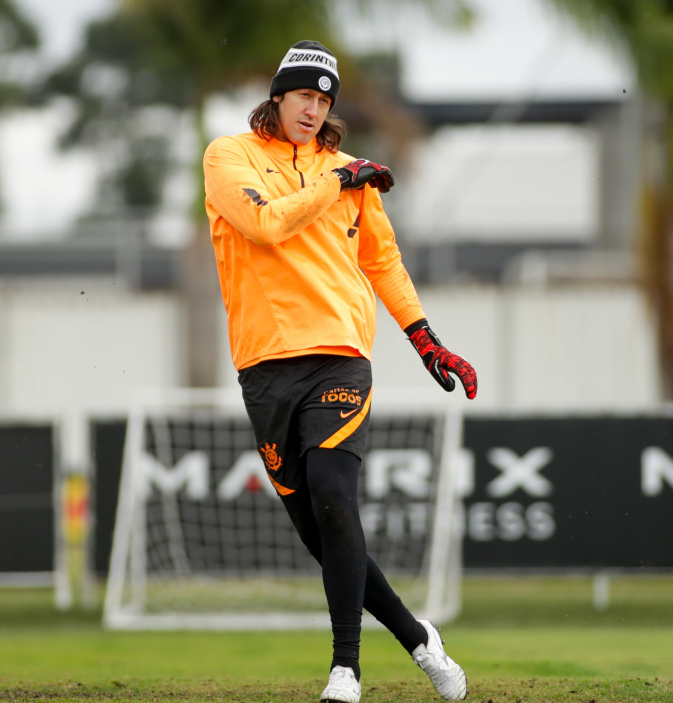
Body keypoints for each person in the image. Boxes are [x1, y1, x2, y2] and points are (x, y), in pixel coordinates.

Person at [203, 40, 477, 703]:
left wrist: (424, 338)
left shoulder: (349, 172)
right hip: (263, 365)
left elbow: (382, 263)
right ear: (277, 98)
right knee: (320, 531)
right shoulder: (228, 156)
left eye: (324, 101)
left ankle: (344, 671)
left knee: (333, 494)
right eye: (303, 96)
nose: (313, 109)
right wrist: (335, 184)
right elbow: (266, 228)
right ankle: (418, 638)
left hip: (338, 353)